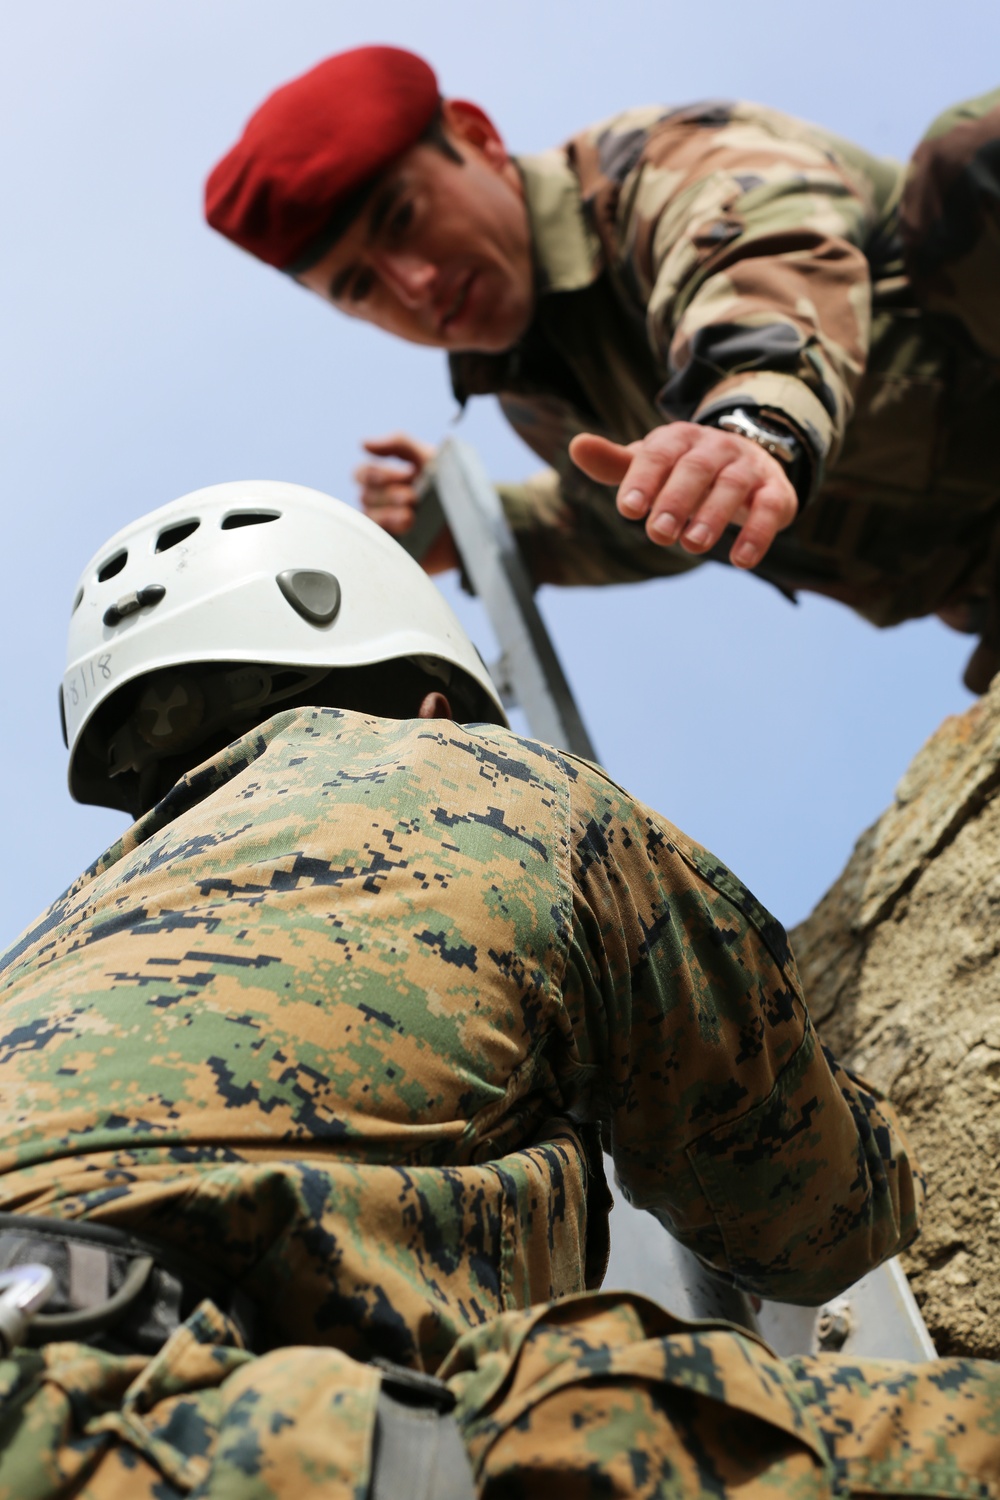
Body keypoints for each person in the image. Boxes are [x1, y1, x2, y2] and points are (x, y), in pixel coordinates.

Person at [0, 478, 979, 1496]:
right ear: (439, 705)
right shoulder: (486, 783)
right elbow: (813, 1220)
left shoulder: (44, 949)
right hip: (162, 1432)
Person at [205, 50, 1000, 691]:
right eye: (360, 287)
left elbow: (765, 266)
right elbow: (628, 518)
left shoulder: (669, 170)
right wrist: (481, 527)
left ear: (477, 137)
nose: (410, 284)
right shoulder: (532, 395)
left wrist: (750, 423)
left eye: (404, 218)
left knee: (973, 156)